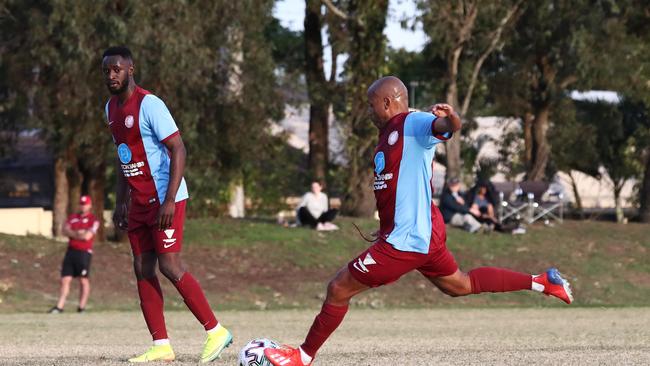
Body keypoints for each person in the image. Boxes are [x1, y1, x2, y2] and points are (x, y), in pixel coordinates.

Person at [264, 76, 573, 366]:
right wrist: (387, 225)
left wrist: (450, 118)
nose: (369, 111)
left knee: (338, 288)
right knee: (459, 285)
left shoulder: (412, 122)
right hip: (420, 234)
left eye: (371, 104)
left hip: (409, 240)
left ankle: (302, 357)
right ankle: (542, 282)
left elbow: (446, 126)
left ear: (387, 103)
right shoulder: (388, 133)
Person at [102, 46, 231, 363]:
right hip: (138, 201)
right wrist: (120, 202)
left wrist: (170, 199)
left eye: (117, 69)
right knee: (142, 268)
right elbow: (124, 158)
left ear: (131, 69)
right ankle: (161, 345)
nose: (111, 75)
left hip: (165, 198)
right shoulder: (109, 109)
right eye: (106, 70)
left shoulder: (149, 104)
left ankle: (216, 331)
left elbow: (178, 149)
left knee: (169, 265)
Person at [49, 195, 99, 314]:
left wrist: (74, 233)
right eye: (81, 204)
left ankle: (81, 307)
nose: (83, 206)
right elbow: (65, 230)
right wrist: (79, 233)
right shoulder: (73, 218)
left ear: (90, 205)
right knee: (65, 279)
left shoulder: (93, 220)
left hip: (84, 253)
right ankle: (59, 307)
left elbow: (88, 236)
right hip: (71, 251)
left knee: (83, 280)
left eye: (85, 204)